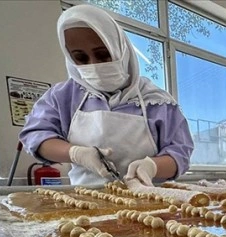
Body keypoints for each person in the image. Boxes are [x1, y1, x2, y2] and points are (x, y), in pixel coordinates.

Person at [20, 4, 194, 186]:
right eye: (81, 58)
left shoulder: (158, 103)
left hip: (150, 204)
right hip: (84, 203)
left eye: (103, 55)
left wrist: (152, 167)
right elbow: (36, 135)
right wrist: (76, 153)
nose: (94, 64)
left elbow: (179, 154)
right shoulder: (63, 97)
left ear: (120, 48)